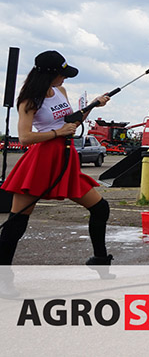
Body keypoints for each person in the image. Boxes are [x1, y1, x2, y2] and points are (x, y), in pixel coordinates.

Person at [0, 51, 113, 265]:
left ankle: (100, 258)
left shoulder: (60, 90)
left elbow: (71, 122)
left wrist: (92, 106)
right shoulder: (29, 100)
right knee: (17, 222)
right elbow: (25, 138)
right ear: (49, 74)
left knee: (100, 208)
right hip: (41, 160)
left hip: (66, 157)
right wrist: (57, 133)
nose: (65, 78)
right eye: (62, 74)